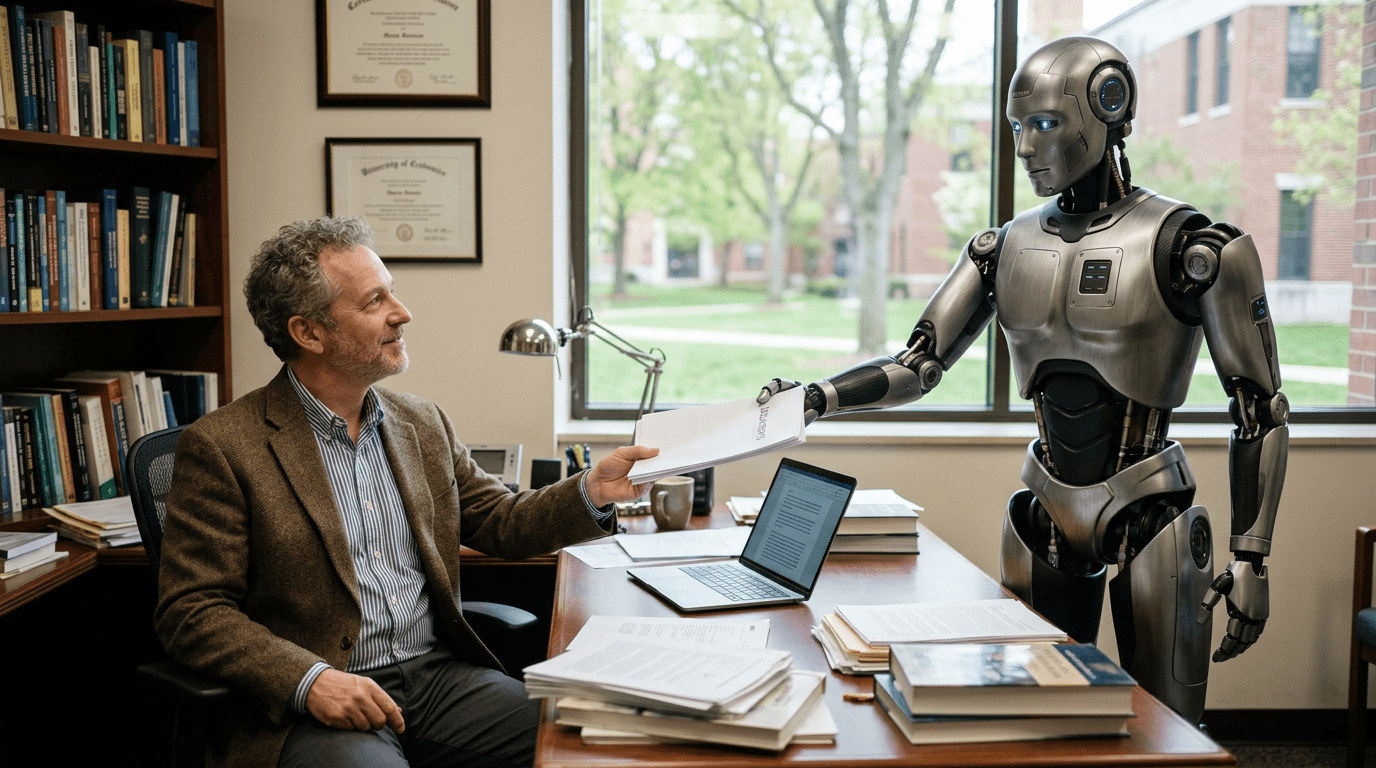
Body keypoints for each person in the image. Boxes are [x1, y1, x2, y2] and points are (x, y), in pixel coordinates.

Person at [757, 36, 1287, 724]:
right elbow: (918, 365)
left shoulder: (1190, 245)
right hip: (1044, 509)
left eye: (1043, 124)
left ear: (1107, 106)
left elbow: (1260, 410)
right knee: (1037, 717)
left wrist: (1252, 556)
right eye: (1016, 127)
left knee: (1167, 730)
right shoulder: (1002, 246)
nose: (1025, 147)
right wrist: (816, 397)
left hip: (1149, 510)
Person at [154, 215, 657, 768]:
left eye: (391, 291)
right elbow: (192, 611)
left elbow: (500, 520)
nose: (402, 312)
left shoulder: (420, 422)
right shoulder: (224, 447)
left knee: (594, 741)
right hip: (314, 705)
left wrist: (592, 489)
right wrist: (311, 679)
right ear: (309, 333)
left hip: (438, 680)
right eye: (375, 301)